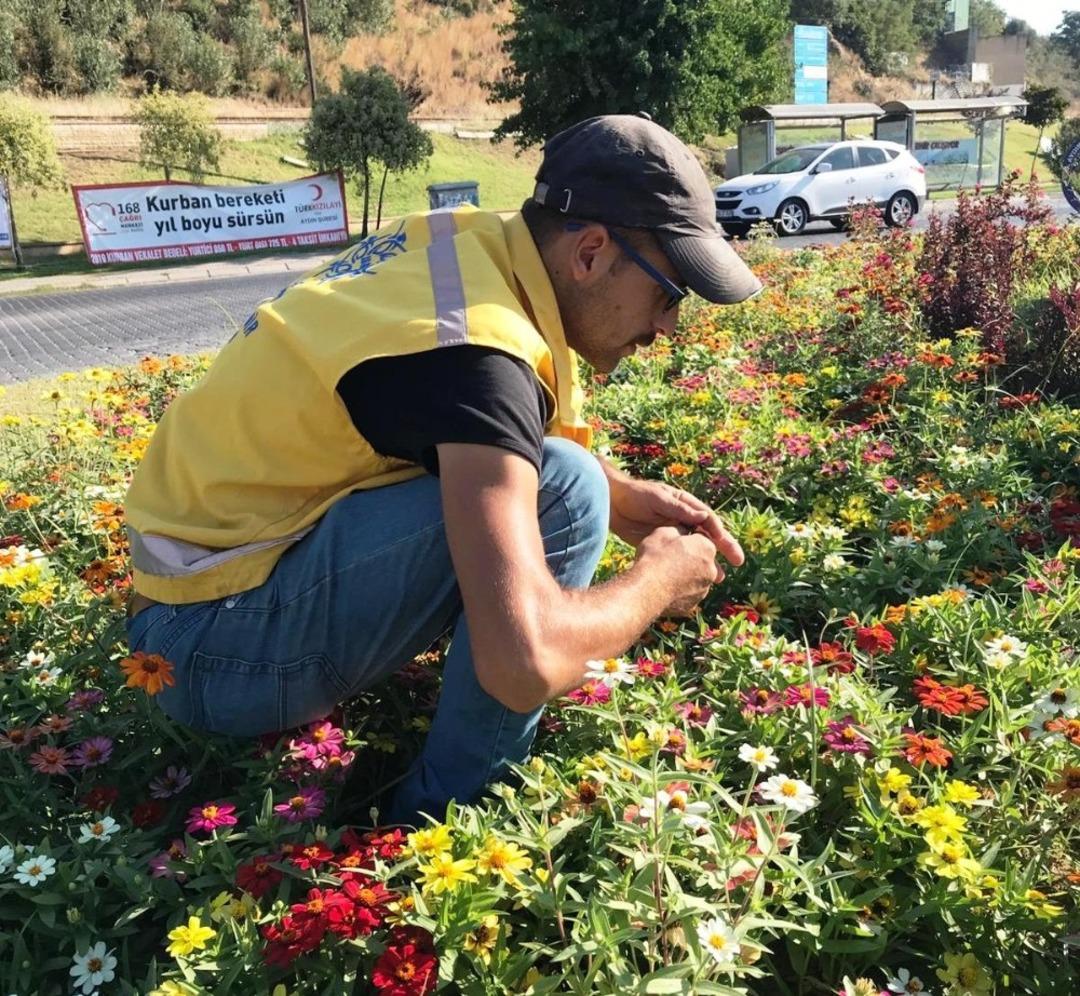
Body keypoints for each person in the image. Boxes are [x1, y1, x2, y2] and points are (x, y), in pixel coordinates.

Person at [123, 113, 761, 826]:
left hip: (189, 611)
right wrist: (654, 583)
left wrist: (619, 494)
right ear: (589, 253)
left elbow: (427, 415)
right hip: (212, 653)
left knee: (579, 479)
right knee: (564, 490)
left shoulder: (468, 248)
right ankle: (442, 821)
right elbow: (524, 663)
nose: (667, 328)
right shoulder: (479, 359)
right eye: (669, 295)